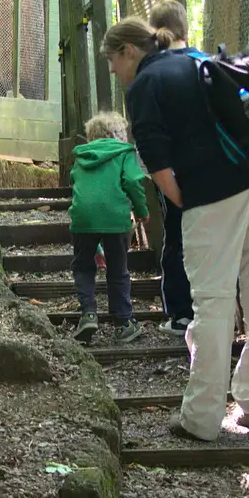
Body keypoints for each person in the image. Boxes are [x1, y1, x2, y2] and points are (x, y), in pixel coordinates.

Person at [108, 16, 249, 439]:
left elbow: (157, 161)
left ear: (128, 51)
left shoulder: (146, 85)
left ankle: (202, 419)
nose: (113, 72)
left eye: (113, 62)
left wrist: (191, 200)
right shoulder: (199, 59)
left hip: (213, 196)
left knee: (213, 302)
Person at [68, 111, 149, 345]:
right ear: (121, 134)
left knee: (83, 267)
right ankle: (123, 323)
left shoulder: (82, 155)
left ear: (91, 136)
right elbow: (133, 181)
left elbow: (76, 182)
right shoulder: (124, 154)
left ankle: (89, 314)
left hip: (83, 218)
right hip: (115, 219)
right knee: (118, 269)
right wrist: (142, 211)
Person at [145, 0, 199, 335]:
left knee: (177, 238)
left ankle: (181, 313)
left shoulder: (154, 72)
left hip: (173, 172)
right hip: (212, 172)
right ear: (186, 28)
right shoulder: (205, 64)